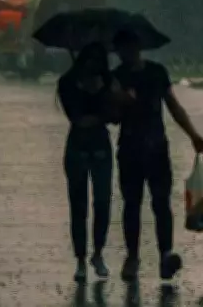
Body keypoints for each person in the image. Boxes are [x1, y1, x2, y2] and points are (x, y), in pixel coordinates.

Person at [110, 30, 203, 282]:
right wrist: (121, 101)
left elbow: (173, 106)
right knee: (132, 204)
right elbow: (112, 118)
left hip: (156, 148)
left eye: (129, 48)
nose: (126, 54)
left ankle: (165, 254)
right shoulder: (116, 77)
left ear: (138, 47)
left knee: (161, 203)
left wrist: (193, 135)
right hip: (130, 148)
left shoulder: (157, 72)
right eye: (122, 50)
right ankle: (132, 257)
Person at [57, 43, 117, 282]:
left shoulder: (109, 82)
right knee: (78, 205)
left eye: (97, 59)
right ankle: (81, 258)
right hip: (77, 148)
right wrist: (97, 110)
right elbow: (76, 118)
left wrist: (106, 95)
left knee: (102, 202)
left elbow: (114, 117)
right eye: (89, 58)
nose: (93, 64)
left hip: (101, 147)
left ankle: (98, 253)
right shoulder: (67, 83)